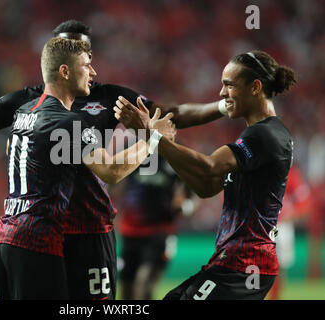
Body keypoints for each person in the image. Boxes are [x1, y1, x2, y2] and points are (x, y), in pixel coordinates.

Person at [0, 20, 224, 299]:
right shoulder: (36, 103)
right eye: (85, 62)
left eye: (90, 56)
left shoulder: (93, 99)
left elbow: (172, 113)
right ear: (62, 65)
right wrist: (154, 137)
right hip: (45, 233)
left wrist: (222, 108)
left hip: (83, 229)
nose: (92, 70)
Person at [115, 50, 297, 300]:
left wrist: (151, 136)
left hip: (245, 265)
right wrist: (166, 145)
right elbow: (206, 186)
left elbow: (209, 167)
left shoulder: (265, 135)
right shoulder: (259, 135)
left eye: (228, 85)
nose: (222, 93)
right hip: (235, 263)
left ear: (255, 87)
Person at [112, 155, 196, 300]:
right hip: (130, 231)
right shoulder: (133, 149)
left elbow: (191, 190)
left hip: (160, 231)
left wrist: (185, 204)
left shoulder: (175, 153)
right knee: (126, 286)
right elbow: (115, 182)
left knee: (145, 283)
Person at [267, 164, 310, 299]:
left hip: (282, 225)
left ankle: (275, 297)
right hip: (262, 223)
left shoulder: (290, 173)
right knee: (259, 263)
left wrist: (292, 215)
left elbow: (304, 201)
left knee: (280, 266)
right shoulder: (259, 169)